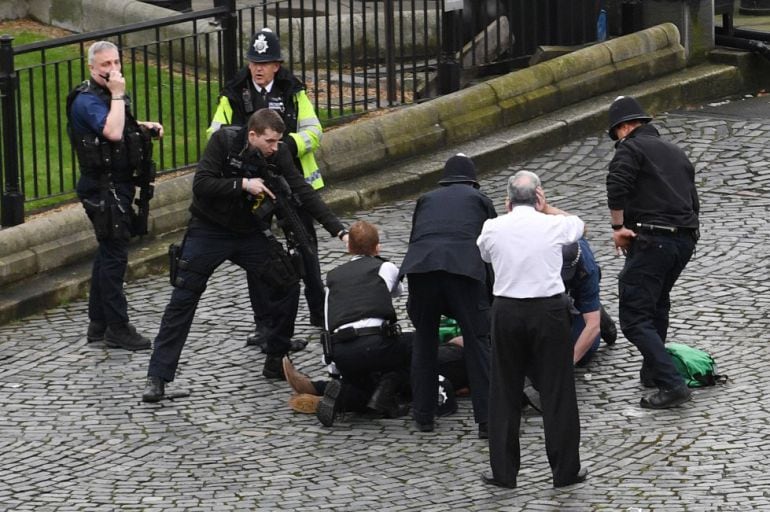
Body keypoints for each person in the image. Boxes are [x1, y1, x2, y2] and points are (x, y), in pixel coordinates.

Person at [142, 108, 346, 402]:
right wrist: (242, 184)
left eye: (278, 142)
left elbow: (303, 191)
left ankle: (276, 357)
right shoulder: (224, 142)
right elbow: (201, 184)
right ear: (252, 135)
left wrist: (339, 231)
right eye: (270, 142)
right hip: (208, 229)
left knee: (288, 280)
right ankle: (157, 377)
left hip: (249, 231)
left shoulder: (279, 153)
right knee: (183, 297)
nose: (275, 148)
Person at [208, 28, 327, 344]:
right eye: (254, 62)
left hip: (290, 182)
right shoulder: (234, 92)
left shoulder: (292, 90)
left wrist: (287, 145)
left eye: (265, 62)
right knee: (256, 256)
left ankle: (320, 312)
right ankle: (264, 324)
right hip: (253, 187)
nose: (258, 68)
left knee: (306, 248)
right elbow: (216, 134)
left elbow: (314, 131)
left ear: (277, 64)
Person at [476, 170, 587, 489]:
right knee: (557, 390)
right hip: (548, 311)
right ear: (538, 197)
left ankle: (504, 472)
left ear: (508, 201)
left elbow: (484, 253)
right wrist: (548, 208)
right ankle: (565, 471)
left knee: (504, 390)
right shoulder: (553, 223)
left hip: (507, 310)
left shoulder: (492, 227)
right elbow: (580, 226)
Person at [67, 40, 163, 351]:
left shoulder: (109, 95)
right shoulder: (87, 100)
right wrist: (119, 94)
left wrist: (144, 126)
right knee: (114, 257)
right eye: (105, 65)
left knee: (108, 252)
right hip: (103, 189)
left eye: (116, 63)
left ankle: (98, 324)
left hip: (116, 185)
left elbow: (121, 125)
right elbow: (111, 132)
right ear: (92, 68)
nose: (113, 70)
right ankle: (117, 328)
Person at [606, 95, 699, 409]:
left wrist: (618, 228)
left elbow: (616, 184)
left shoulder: (630, 149)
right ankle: (653, 370)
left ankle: (672, 384)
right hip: (684, 240)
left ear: (625, 127)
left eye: (616, 132)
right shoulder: (677, 152)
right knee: (657, 303)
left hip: (653, 238)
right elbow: (693, 202)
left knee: (634, 316)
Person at [400, 153, 495, 437]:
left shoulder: (426, 199)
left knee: (424, 340)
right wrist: (489, 299)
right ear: (472, 181)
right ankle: (487, 420)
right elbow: (492, 250)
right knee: (478, 343)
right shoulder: (480, 200)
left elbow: (416, 238)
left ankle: (424, 414)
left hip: (423, 269)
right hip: (463, 271)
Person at [313, 220, 413, 426]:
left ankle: (343, 391)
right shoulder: (385, 267)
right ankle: (384, 395)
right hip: (377, 344)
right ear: (377, 247)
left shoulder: (333, 277)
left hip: (342, 351)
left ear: (348, 248)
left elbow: (327, 320)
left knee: (360, 381)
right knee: (415, 344)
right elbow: (398, 291)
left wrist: (333, 367)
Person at [561, 237, 617, 366]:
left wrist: (568, 365)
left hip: (580, 286)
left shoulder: (587, 267)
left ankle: (595, 309)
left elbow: (592, 325)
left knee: (583, 354)